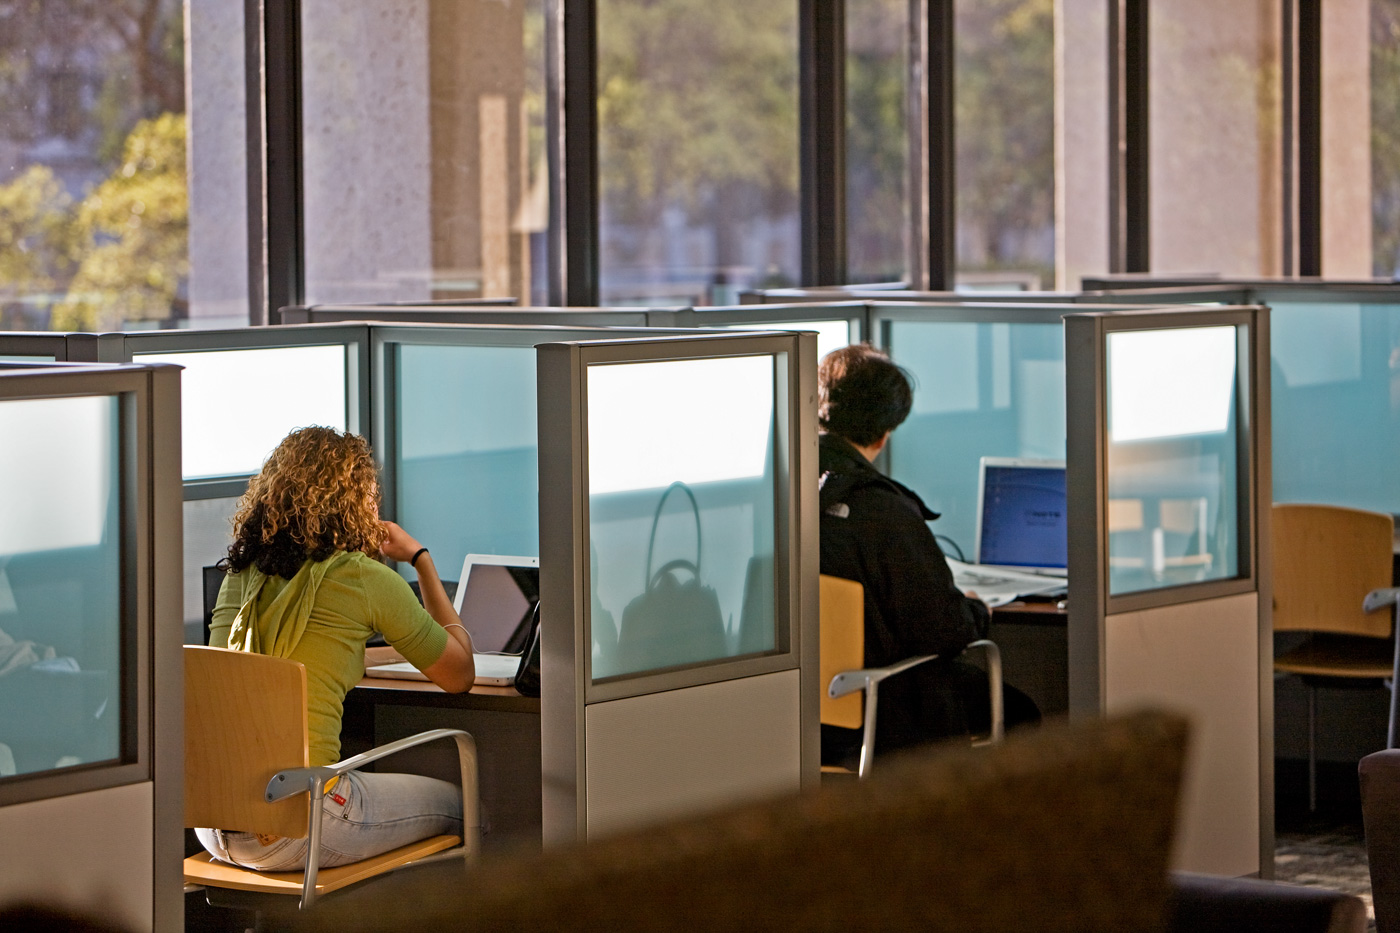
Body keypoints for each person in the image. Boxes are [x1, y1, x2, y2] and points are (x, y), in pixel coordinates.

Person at [197, 426, 475, 871]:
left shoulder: (240, 576)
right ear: (356, 502)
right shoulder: (363, 578)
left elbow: (310, 656)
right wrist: (421, 559)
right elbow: (460, 674)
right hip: (299, 824)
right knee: (461, 800)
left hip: (213, 823)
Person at [817, 344, 1036, 765]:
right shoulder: (882, 510)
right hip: (886, 711)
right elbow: (940, 630)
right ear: (886, 432)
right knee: (1022, 712)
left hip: (802, 712)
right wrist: (975, 612)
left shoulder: (783, 492)